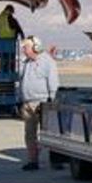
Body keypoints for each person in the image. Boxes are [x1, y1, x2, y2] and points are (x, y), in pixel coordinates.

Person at [16, 37, 60, 171]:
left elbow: (53, 82)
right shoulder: (26, 63)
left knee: (49, 134)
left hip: (43, 103)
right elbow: (21, 82)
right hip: (27, 104)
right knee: (30, 134)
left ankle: (55, 161)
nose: (23, 50)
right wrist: (19, 100)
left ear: (36, 47)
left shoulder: (47, 62)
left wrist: (52, 101)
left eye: (26, 47)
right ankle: (32, 161)